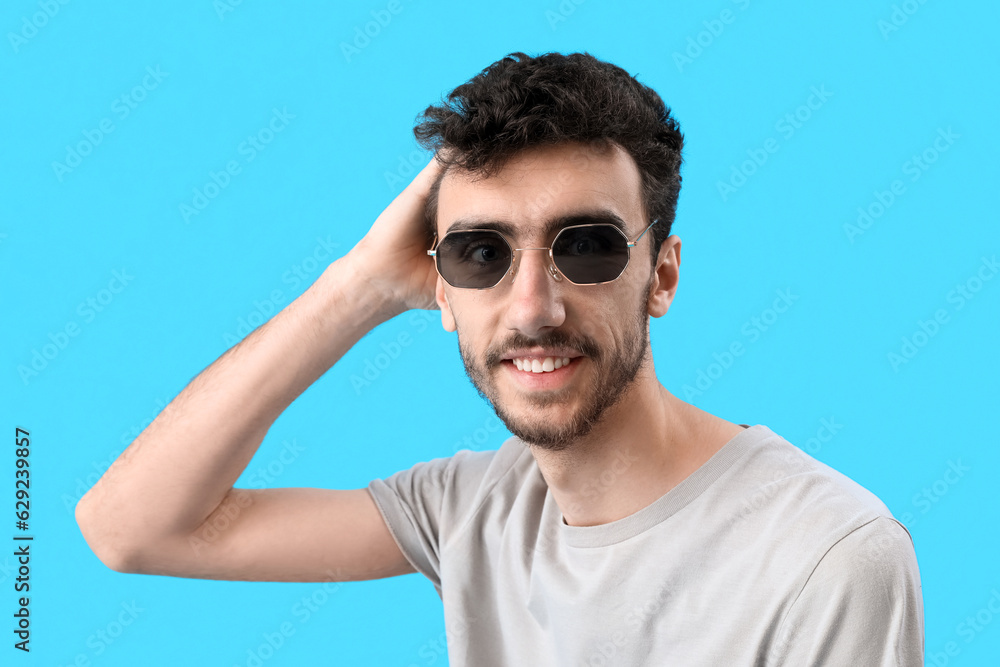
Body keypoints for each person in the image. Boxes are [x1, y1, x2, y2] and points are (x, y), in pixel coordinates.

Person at [76, 51, 924, 664]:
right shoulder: (471, 511)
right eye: (481, 255)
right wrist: (357, 288)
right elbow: (132, 528)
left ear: (661, 275)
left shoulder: (825, 554)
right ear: (440, 287)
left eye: (586, 246)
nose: (533, 307)